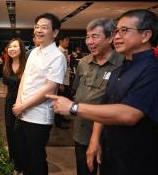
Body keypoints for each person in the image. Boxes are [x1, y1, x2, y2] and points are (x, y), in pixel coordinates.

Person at [47, 9, 158, 175]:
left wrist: (73, 107)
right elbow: (106, 103)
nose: (117, 37)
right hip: (109, 149)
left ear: (146, 35)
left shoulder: (151, 70)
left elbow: (129, 114)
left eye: (124, 31)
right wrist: (95, 139)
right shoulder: (122, 68)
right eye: (116, 31)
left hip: (135, 157)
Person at [12, 13, 66, 175]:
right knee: (23, 156)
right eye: (37, 27)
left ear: (55, 33)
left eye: (44, 27)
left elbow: (49, 89)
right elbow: (24, 79)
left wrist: (23, 106)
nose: (39, 30)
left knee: (36, 159)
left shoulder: (57, 56)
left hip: (38, 117)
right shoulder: (34, 52)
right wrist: (18, 103)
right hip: (22, 113)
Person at [72, 18, 124, 175]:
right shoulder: (83, 63)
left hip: (110, 137)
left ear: (110, 38)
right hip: (81, 133)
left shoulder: (123, 64)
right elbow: (77, 91)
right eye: (87, 37)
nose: (89, 41)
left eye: (95, 36)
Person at [2, 38, 26, 175]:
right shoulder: (6, 66)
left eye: (15, 46)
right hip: (9, 101)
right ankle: (13, 161)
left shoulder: (27, 65)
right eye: (10, 46)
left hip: (23, 102)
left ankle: (21, 162)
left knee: (21, 133)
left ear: (21, 49)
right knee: (10, 132)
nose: (12, 49)